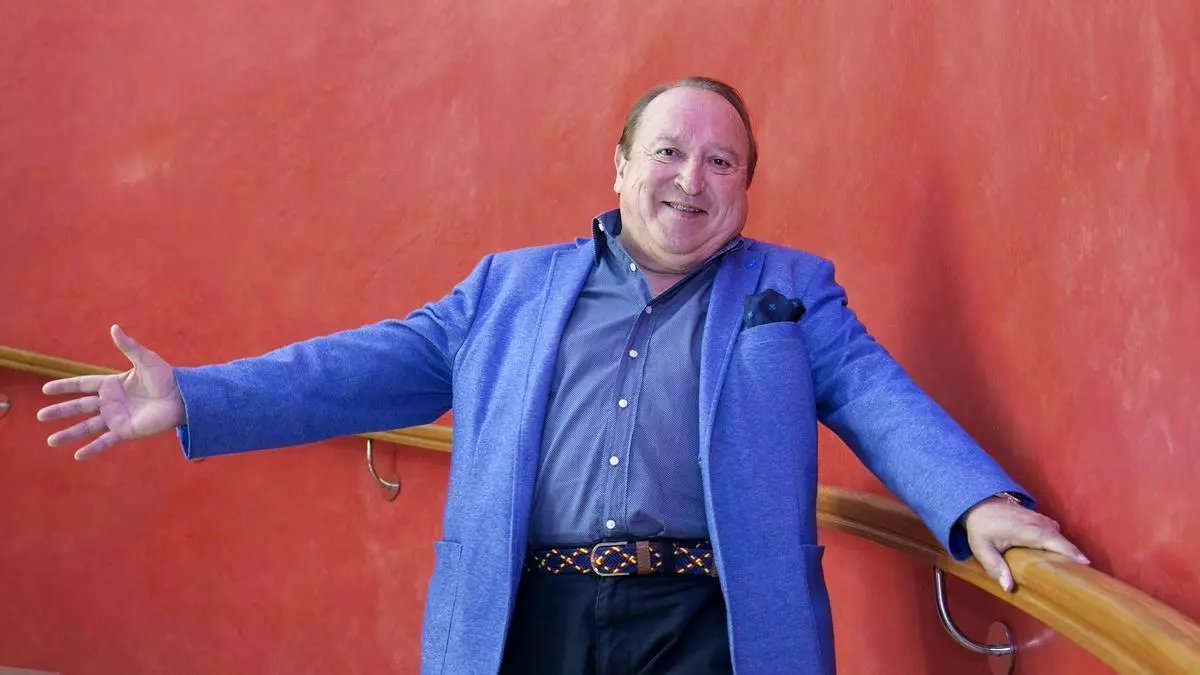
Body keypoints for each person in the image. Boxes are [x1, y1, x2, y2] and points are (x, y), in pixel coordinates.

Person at [38, 77, 1088, 675]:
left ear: (745, 188)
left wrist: (974, 503)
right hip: (527, 617)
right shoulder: (507, 288)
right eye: (668, 152)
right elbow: (365, 365)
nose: (691, 179)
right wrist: (197, 394)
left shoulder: (790, 289)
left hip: (712, 625)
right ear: (621, 166)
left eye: (722, 162)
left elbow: (873, 393)